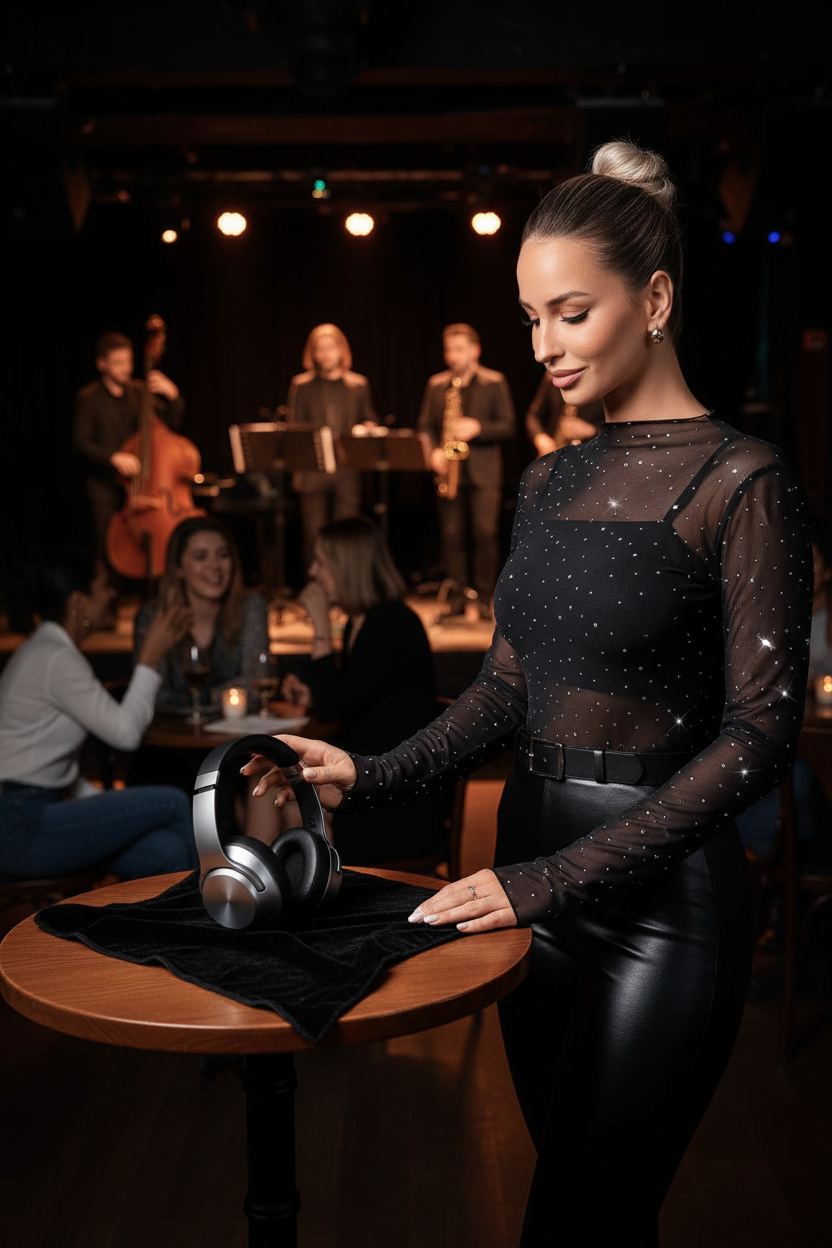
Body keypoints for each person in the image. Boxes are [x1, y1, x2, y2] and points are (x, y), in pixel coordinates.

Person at [244, 141, 813, 1246]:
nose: (544, 347)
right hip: (528, 882)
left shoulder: (743, 481)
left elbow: (759, 736)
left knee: (574, 1219)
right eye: (529, 319)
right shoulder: (550, 476)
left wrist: (552, 878)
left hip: (661, 908)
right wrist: (372, 771)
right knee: (594, 1200)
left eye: (569, 312)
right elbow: (507, 687)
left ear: (652, 298)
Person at [0, 551, 198, 880]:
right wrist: (151, 655)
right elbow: (126, 734)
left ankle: (153, 929)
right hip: (21, 825)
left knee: (167, 851)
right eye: (104, 585)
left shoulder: (46, 650)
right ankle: (201, 924)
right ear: (78, 602)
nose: (113, 594)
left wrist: (108, 809)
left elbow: (45, 763)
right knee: (174, 802)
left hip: (33, 815)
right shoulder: (55, 657)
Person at [282, 516, 446, 864]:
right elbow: (352, 693)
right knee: (282, 796)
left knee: (285, 802)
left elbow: (333, 706)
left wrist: (321, 627)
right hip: (371, 782)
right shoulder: (362, 622)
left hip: (395, 799)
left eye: (321, 562)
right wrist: (312, 690)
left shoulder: (391, 624)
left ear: (346, 567)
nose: (312, 572)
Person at [417, 323, 515, 617]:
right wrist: (433, 451)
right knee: (452, 535)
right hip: (449, 471)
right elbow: (425, 427)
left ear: (475, 350)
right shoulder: (437, 384)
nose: (453, 357)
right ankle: (457, 596)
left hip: (484, 472)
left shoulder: (494, 381)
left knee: (484, 534)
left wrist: (478, 428)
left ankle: (485, 598)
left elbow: (508, 425)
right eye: (449, 350)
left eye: (459, 350)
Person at [133, 517, 269, 717]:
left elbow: (257, 685)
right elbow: (153, 697)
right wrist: (221, 696)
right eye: (200, 557)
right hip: (174, 740)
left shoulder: (251, 607)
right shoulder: (153, 617)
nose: (214, 566)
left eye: (223, 555)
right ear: (179, 568)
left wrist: (197, 699)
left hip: (236, 740)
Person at [73, 331, 185, 556]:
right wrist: (113, 457)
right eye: (119, 363)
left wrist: (173, 396)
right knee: (110, 549)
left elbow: (169, 427)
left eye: (129, 361)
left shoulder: (139, 392)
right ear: (102, 364)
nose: (126, 368)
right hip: (106, 488)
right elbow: (81, 443)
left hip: (143, 484)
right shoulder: (89, 398)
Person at [286, 323, 376, 561]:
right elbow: (294, 426)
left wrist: (365, 428)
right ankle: (318, 593)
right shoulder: (301, 385)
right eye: (320, 348)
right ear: (312, 353)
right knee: (314, 536)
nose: (325, 353)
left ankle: (347, 593)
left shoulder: (358, 384)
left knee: (347, 534)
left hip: (347, 469)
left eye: (330, 347)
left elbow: (368, 418)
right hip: (312, 470)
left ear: (341, 350)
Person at [524, 369, 602, 457]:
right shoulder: (553, 377)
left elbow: (617, 430)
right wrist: (541, 438)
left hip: (589, 456)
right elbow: (533, 415)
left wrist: (592, 431)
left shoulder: (602, 382)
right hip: (553, 452)